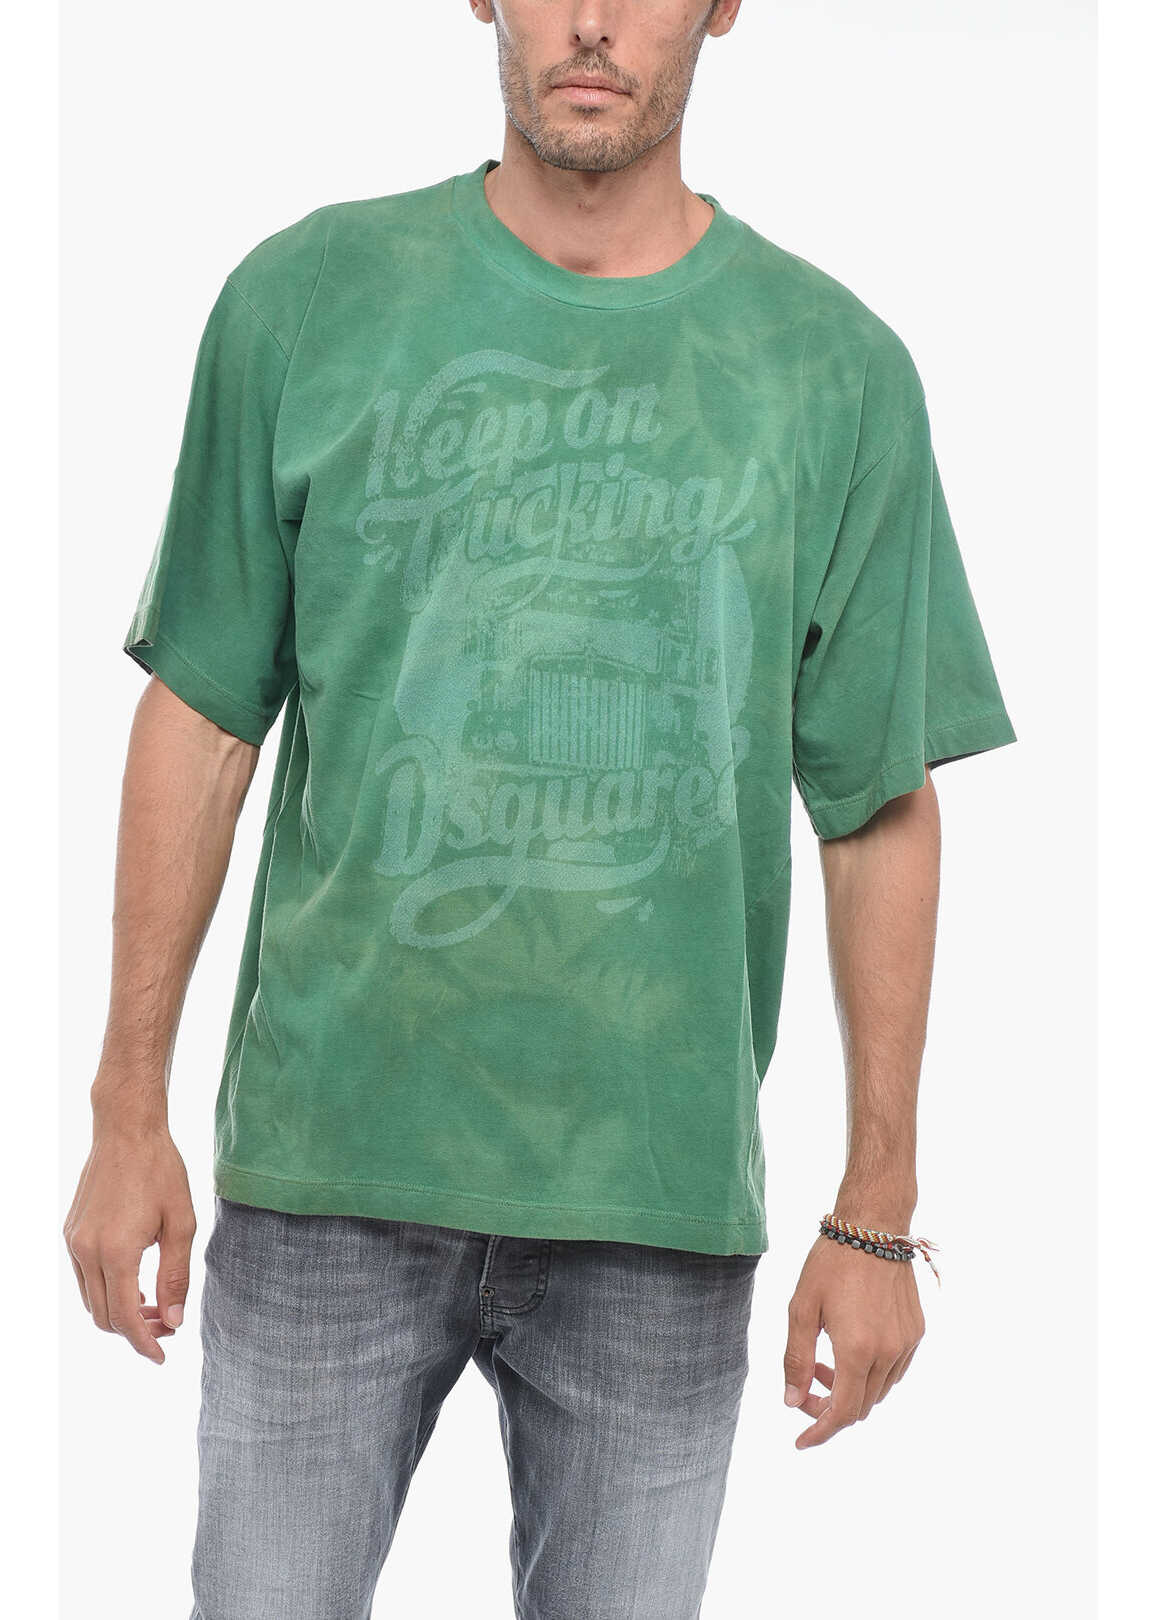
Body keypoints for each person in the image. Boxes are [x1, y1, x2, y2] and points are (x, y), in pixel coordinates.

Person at [62, 3, 1017, 1617]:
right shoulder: (308, 297)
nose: (590, 21)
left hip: (657, 1197)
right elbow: (204, 716)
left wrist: (875, 1218)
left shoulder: (829, 367)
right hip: (325, 1175)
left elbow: (874, 808)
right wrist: (123, 1111)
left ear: (722, 4)